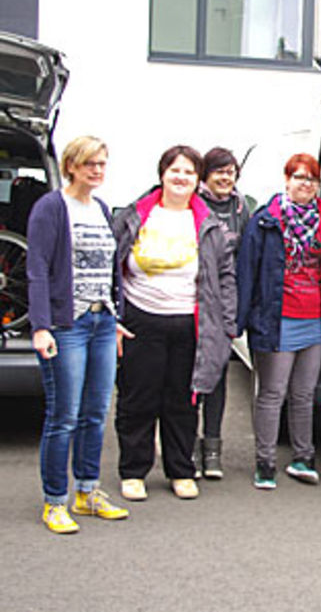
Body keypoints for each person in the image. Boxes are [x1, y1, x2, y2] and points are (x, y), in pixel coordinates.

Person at [113, 145, 236, 502]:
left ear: (198, 180)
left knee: (183, 400)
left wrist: (227, 326)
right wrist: (110, 317)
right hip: (140, 319)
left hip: (190, 324)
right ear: (162, 174)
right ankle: (133, 471)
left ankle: (181, 470)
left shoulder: (208, 222)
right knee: (138, 398)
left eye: (189, 172)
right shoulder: (134, 216)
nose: (181, 178)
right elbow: (111, 265)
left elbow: (226, 276)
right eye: (175, 171)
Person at [27, 136, 130, 533]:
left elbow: (106, 270)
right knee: (63, 416)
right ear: (71, 165)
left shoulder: (102, 208)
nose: (97, 170)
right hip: (65, 325)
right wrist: (40, 327)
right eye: (89, 163)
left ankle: (87, 492)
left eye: (102, 163)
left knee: (95, 414)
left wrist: (113, 314)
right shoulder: (51, 208)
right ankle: (55, 501)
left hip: (101, 322)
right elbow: (37, 269)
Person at [236, 153, 321, 490]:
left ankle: (303, 458)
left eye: (311, 179)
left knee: (303, 394)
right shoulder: (265, 221)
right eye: (299, 177)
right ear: (286, 180)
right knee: (272, 393)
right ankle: (265, 462)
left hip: (313, 321)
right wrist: (240, 321)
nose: (305, 184)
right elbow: (247, 273)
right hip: (276, 318)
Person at [193, 146, 250, 480]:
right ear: (206, 174)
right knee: (189, 378)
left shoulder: (241, 209)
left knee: (217, 378)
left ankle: (212, 449)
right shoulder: (193, 204)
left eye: (231, 172)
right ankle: (186, 444)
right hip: (192, 301)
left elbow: (244, 259)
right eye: (219, 171)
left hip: (224, 303)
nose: (226, 178)